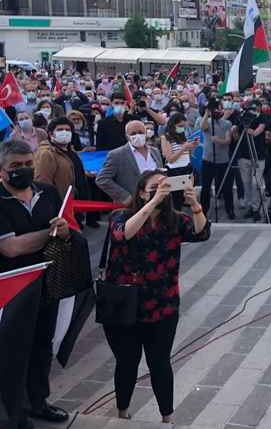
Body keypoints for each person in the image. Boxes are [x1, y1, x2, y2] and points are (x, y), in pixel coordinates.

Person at [103, 170, 210, 424]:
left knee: (160, 363)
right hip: (124, 305)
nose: (162, 192)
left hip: (162, 305)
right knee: (126, 362)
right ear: (141, 193)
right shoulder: (121, 216)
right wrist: (152, 203)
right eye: (155, 188)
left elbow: (202, 233)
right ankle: (122, 414)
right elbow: (122, 234)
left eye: (166, 187)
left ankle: (167, 418)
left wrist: (194, 204)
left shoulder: (175, 221)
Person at [0, 140, 72, 427]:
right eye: (15, 165)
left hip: (48, 282)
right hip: (12, 289)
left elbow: (66, 226)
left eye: (29, 163)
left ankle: (38, 401)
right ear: (1, 170)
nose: (24, 169)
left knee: (43, 344)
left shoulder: (48, 191)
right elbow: (11, 248)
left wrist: (64, 231)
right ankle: (15, 414)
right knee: (15, 350)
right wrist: (51, 233)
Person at [97, 121, 164, 206]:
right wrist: (124, 196)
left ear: (145, 133)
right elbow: (102, 179)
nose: (138, 135)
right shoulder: (116, 155)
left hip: (157, 202)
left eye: (140, 132)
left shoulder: (155, 151)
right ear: (127, 137)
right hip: (132, 204)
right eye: (133, 133)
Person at [199, 100, 235, 220]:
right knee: (206, 186)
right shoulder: (208, 122)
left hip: (222, 160)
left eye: (219, 109)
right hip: (208, 159)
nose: (217, 112)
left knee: (227, 186)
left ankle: (229, 209)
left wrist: (218, 141)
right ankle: (204, 211)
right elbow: (202, 127)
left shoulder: (227, 123)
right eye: (215, 110)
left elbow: (228, 140)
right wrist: (207, 112)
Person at [233, 100, 268, 221]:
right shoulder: (241, 117)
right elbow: (236, 138)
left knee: (256, 183)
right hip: (244, 154)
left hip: (259, 154)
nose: (255, 112)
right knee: (246, 182)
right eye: (253, 109)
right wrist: (235, 131)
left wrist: (254, 133)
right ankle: (250, 206)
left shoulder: (262, 117)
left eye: (257, 109)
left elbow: (261, 127)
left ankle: (256, 208)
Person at [161, 113, 199, 211]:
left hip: (186, 169)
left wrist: (193, 146)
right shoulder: (166, 137)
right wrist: (184, 148)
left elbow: (188, 156)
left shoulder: (183, 136)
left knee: (184, 197)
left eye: (183, 126)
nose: (182, 128)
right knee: (175, 200)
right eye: (180, 126)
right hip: (175, 171)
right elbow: (170, 158)